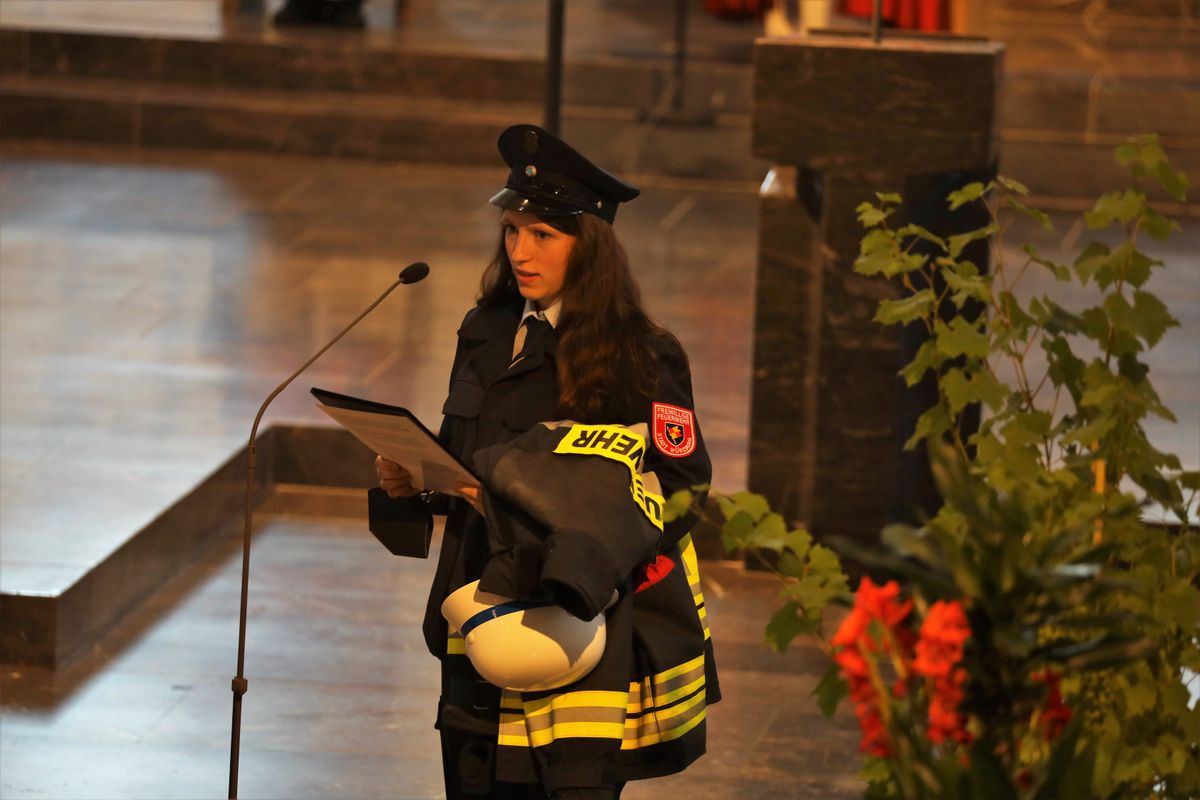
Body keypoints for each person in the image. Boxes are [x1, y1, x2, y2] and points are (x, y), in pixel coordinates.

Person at [372, 124, 717, 799]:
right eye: (511, 231)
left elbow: (680, 488)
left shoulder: (641, 356)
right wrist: (416, 484)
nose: (520, 253)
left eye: (542, 236)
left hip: (570, 629)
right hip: (475, 614)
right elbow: (466, 462)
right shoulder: (486, 331)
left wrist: (591, 565)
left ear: (587, 248)